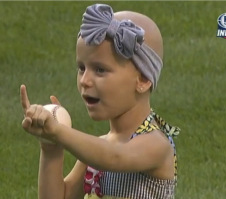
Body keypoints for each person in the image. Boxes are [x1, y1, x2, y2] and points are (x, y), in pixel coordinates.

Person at [20, 3, 180, 199]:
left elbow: (115, 157)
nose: (85, 80)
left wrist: (59, 131)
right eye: (81, 68)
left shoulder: (156, 144)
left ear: (143, 80)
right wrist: (51, 147)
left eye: (100, 70)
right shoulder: (97, 150)